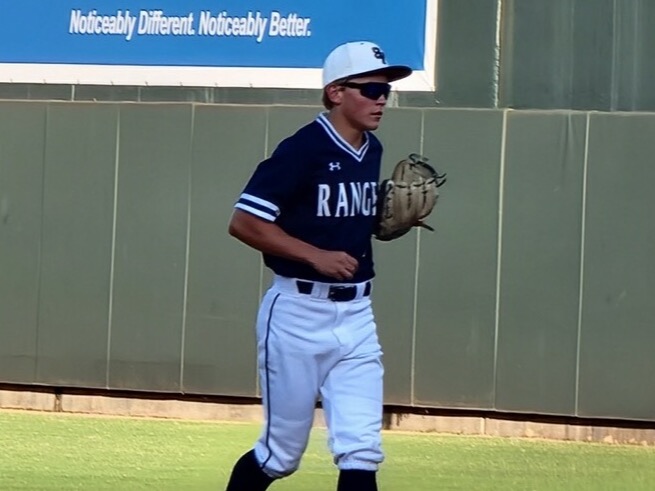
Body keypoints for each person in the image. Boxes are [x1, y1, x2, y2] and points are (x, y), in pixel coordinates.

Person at [225, 40, 412, 491]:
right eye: (371, 89)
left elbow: (338, 217)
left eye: (386, 90)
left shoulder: (372, 149)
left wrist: (377, 220)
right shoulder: (302, 149)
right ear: (336, 92)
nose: (382, 99)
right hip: (297, 315)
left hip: (357, 316)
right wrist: (315, 255)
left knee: (362, 451)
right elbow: (244, 222)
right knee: (280, 455)